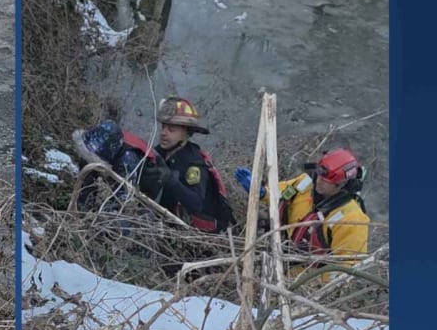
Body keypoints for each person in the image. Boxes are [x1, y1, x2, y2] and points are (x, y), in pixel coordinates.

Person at [234, 148, 370, 273]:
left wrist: (311, 284)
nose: (319, 181)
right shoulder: (305, 184)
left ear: (341, 184)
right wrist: (263, 192)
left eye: (326, 181)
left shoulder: (352, 219)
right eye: (319, 176)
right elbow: (279, 193)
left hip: (308, 279)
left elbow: (347, 269)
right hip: (280, 256)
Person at [152, 96, 235, 233]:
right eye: (163, 127)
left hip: (199, 233)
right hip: (166, 223)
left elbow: (196, 204)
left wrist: (171, 181)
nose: (163, 133)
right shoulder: (160, 152)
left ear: (186, 133)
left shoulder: (194, 164)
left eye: (171, 129)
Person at [71, 119, 168, 208]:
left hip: (153, 177)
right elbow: (86, 178)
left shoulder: (127, 159)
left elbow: (123, 200)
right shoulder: (97, 142)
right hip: (117, 160)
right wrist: (81, 204)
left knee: (139, 208)